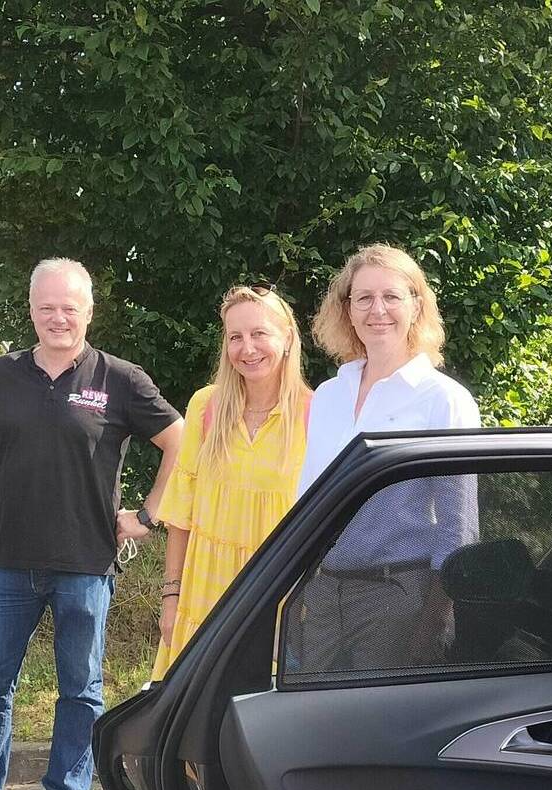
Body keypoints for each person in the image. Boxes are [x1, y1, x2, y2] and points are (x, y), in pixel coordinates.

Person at [0, 258, 182, 790]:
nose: (58, 317)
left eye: (70, 307)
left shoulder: (119, 378)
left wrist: (147, 516)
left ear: (89, 311)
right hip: (8, 565)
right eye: (46, 307)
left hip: (86, 565)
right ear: (31, 310)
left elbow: (180, 442)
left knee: (80, 689)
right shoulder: (0, 376)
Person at [291, 244, 480, 673]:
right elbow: (307, 501)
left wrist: (432, 622)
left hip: (398, 597)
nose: (378, 310)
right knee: (313, 726)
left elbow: (458, 528)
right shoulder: (328, 395)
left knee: (373, 733)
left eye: (392, 296)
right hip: (323, 593)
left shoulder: (444, 400)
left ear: (417, 305)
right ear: (348, 309)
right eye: (364, 298)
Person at [151, 286, 311, 678]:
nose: (247, 348)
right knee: (194, 721)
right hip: (203, 594)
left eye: (260, 334)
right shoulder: (206, 406)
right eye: (235, 337)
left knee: (262, 722)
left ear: (287, 338)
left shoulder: (318, 412)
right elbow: (180, 513)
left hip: (277, 600)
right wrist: (171, 595)